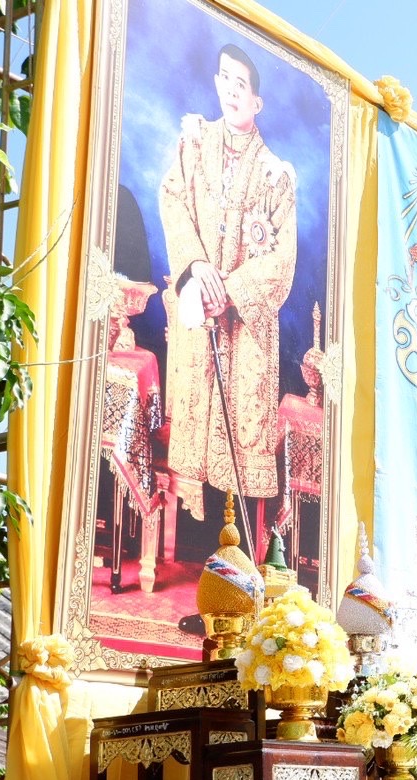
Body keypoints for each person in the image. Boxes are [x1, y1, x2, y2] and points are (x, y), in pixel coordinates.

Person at [159, 43, 297, 521]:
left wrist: (231, 292)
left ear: (257, 101)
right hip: (199, 311)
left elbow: (282, 261)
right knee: (192, 440)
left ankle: (236, 552)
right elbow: (172, 198)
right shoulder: (194, 143)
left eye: (242, 85)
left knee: (237, 457)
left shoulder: (276, 176)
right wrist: (197, 267)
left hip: (245, 333)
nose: (232, 91)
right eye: (225, 79)